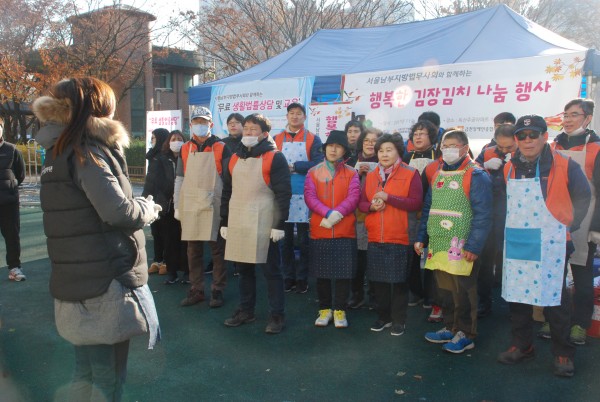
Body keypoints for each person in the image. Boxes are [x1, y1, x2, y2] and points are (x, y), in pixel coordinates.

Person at [33, 77, 160, 401]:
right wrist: (148, 207)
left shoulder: (56, 152)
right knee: (107, 378)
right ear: (97, 108)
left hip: (74, 279)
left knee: (85, 373)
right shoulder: (85, 152)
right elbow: (117, 211)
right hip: (104, 280)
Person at [496, 114, 591, 378]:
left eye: (533, 135)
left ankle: (563, 352)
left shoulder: (565, 165)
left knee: (555, 299)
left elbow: (583, 197)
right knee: (517, 297)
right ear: (516, 139)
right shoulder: (509, 167)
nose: (527, 141)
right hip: (518, 240)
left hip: (553, 241)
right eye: (522, 136)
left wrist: (566, 226)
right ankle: (522, 345)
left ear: (544, 136)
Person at [416, 130, 492, 354]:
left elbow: (484, 214)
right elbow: (428, 208)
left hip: (463, 245)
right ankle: (450, 326)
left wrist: (474, 246)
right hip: (439, 243)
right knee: (445, 289)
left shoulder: (476, 175)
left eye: (452, 145)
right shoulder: (438, 173)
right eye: (444, 145)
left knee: (465, 292)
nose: (447, 150)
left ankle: (466, 334)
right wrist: (421, 237)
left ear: (465, 147)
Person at [220, 113, 291, 334]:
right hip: (239, 219)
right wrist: (225, 221)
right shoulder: (233, 158)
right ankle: (246, 310)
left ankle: (276, 315)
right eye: (247, 128)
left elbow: (283, 193)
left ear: (264, 134)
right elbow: (227, 191)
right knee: (243, 270)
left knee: (271, 271)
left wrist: (279, 224)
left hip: (264, 221)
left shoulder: (275, 157)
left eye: (254, 129)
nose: (249, 132)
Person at [545, 99, 600, 345]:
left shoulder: (597, 148)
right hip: (555, 217)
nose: (567, 120)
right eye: (565, 115)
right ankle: (553, 318)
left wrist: (597, 228)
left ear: (588, 118)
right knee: (553, 273)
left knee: (582, 274)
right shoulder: (553, 145)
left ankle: (579, 323)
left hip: (585, 219)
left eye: (574, 115)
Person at [359, 133, 423, 336]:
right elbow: (360, 203)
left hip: (401, 235)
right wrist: (371, 207)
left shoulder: (411, 173)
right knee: (378, 282)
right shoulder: (370, 175)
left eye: (389, 150)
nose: (384, 154)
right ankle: (383, 317)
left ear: (398, 152)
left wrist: (389, 197)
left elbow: (415, 203)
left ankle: (399, 320)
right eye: (380, 150)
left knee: (399, 282)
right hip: (376, 235)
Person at [174, 106, 231, 308]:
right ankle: (196, 289)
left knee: (217, 249)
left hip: (214, 202)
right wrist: (177, 204)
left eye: (203, 122)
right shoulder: (184, 148)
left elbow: (228, 179)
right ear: (191, 125)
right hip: (190, 202)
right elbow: (180, 178)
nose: (200, 125)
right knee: (193, 249)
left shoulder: (221, 147)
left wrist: (225, 208)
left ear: (211, 124)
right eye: (196, 122)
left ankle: (218, 290)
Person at [304, 130, 360, 328]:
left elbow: (354, 197)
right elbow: (310, 197)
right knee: (322, 273)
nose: (333, 149)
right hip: (321, 229)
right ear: (325, 148)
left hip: (345, 230)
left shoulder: (352, 173)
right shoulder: (313, 172)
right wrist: (328, 213)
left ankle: (339, 310)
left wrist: (339, 213)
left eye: (338, 146)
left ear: (344, 151)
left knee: (344, 274)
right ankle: (325, 309)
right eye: (330, 146)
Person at [273, 102, 324, 293]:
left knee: (304, 240)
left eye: (299, 113)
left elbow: (318, 164)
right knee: (283, 240)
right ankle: (288, 277)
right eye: (291, 113)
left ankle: (302, 278)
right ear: (287, 116)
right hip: (282, 194)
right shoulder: (276, 138)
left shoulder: (313, 138)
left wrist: (295, 167)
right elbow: (270, 161)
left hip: (306, 194)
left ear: (304, 117)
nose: (295, 116)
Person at [474, 123, 517, 318]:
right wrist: (484, 167)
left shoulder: (525, 153)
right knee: (485, 259)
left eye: (509, 147)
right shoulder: (488, 152)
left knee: (511, 260)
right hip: (490, 213)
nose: (504, 150)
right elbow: (472, 172)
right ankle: (484, 301)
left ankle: (515, 305)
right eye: (501, 147)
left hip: (516, 216)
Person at [143, 130, 189, 284]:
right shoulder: (161, 159)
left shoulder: (189, 156)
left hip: (186, 205)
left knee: (187, 241)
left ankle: (187, 272)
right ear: (168, 142)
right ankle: (171, 271)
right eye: (173, 139)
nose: (176, 141)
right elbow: (153, 181)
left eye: (179, 139)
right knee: (169, 240)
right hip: (167, 206)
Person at [402, 120, 438, 313]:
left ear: (431, 137)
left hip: (435, 210)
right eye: (415, 133)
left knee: (431, 254)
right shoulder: (407, 156)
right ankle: (415, 291)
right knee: (414, 254)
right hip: (412, 212)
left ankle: (431, 295)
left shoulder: (439, 157)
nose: (418, 136)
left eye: (422, 133)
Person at [348, 127, 381, 309]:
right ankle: (357, 294)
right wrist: (357, 174)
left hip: (378, 215)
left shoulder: (386, 162)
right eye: (367, 140)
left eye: (374, 140)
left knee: (374, 258)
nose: (370, 144)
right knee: (358, 260)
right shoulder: (353, 161)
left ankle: (375, 296)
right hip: (356, 217)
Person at [0, 117, 26, 281]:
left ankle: (14, 268)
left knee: (12, 236)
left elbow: (21, 174)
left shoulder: (11, 150)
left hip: (8, 203)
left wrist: (11, 186)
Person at [144, 128, 170, 275]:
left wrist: (162, 197)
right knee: (155, 232)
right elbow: (150, 180)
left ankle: (166, 262)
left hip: (162, 201)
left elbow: (168, 180)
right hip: (150, 199)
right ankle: (157, 260)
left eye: (154, 138)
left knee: (165, 232)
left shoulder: (165, 156)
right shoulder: (152, 155)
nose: (152, 140)